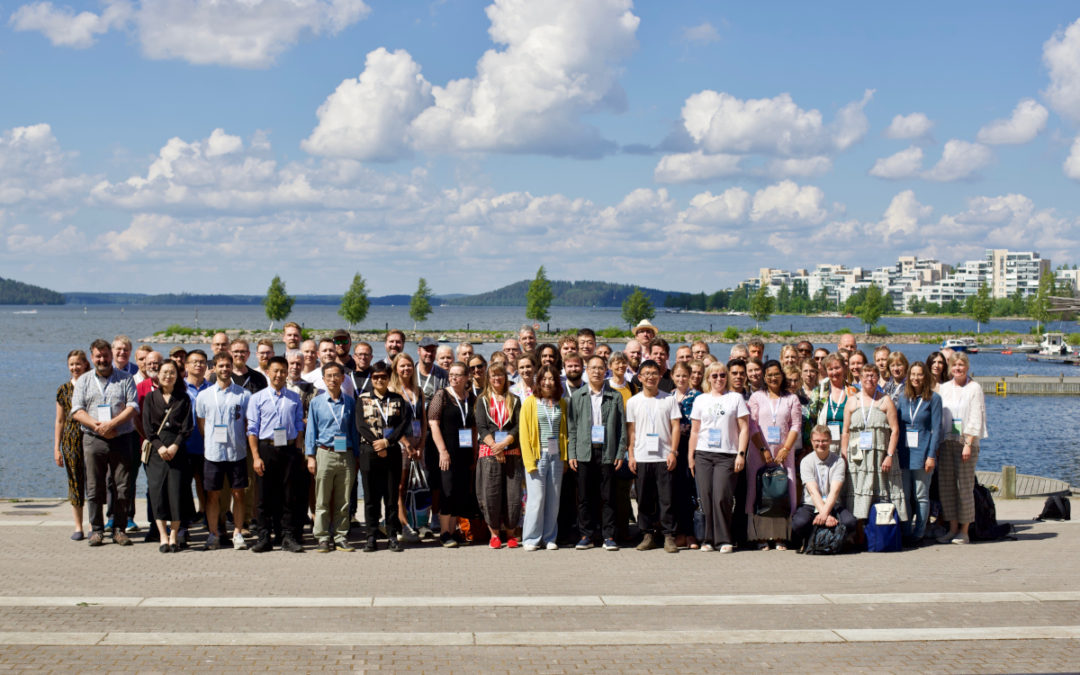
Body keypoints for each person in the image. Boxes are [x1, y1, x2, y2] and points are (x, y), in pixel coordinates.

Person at [70, 339, 139, 547]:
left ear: (111, 355)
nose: (102, 359)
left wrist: (112, 425)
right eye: (98, 356)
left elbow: (132, 406)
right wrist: (97, 426)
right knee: (93, 487)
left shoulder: (126, 378)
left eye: (105, 355)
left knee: (122, 486)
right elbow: (77, 410)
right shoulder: (83, 380)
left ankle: (119, 529)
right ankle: (97, 530)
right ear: (92, 357)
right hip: (93, 439)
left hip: (121, 437)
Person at [687, 361, 749, 553]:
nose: (719, 379)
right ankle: (708, 538)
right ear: (708, 379)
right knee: (705, 497)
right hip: (704, 453)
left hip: (727, 454)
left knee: (722, 496)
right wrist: (691, 455)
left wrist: (741, 454)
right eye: (714, 376)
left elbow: (745, 428)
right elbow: (695, 431)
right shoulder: (701, 400)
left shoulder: (736, 398)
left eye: (722, 375)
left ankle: (724, 539)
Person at [567, 355, 627, 551]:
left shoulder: (614, 396)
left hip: (607, 451)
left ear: (606, 371)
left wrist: (619, 453)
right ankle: (586, 534)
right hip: (584, 451)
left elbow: (621, 429)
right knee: (584, 496)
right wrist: (572, 453)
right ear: (587, 370)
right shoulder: (578, 397)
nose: (596, 371)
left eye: (600, 368)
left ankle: (608, 536)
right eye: (593, 368)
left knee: (608, 496)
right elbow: (572, 428)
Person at [246, 356, 305, 553]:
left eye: (282, 371)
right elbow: (252, 429)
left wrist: (298, 449)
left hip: (288, 450)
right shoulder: (257, 398)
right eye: (275, 371)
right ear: (268, 373)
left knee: (289, 495)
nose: (279, 375)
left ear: (287, 373)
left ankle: (287, 535)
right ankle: (264, 536)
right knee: (264, 495)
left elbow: (298, 425)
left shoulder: (294, 397)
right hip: (266, 448)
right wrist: (256, 457)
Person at [195, 353, 251, 551]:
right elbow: (202, 424)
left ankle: (237, 533)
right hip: (213, 453)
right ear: (215, 368)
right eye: (221, 366)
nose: (225, 369)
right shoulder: (204, 396)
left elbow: (246, 423)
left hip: (237, 452)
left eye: (228, 366)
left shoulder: (244, 395)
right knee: (212, 496)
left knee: (239, 494)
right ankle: (213, 533)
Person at [840, 363, 907, 523]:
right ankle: (857, 534)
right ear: (860, 378)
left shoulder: (885, 401)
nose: (869, 379)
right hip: (857, 458)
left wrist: (889, 455)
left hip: (880, 458)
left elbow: (895, 431)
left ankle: (883, 531)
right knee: (857, 493)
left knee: (881, 494)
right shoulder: (851, 401)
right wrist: (844, 456)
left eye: (873, 375)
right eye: (866, 375)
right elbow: (846, 432)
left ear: (878, 378)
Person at [626, 360, 681, 553]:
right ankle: (647, 534)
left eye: (654, 373)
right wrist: (631, 455)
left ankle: (668, 536)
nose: (650, 377)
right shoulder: (633, 402)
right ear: (640, 378)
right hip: (642, 456)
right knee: (644, 498)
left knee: (666, 499)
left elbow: (676, 427)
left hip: (664, 455)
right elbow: (631, 431)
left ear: (660, 376)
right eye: (646, 374)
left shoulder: (669, 399)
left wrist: (673, 451)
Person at [304, 362, 359, 553]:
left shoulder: (351, 402)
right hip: (324, 453)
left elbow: (354, 431)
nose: (333, 379)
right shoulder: (316, 403)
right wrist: (310, 457)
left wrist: (357, 456)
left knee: (343, 499)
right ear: (323, 379)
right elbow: (311, 431)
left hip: (346, 454)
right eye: (329, 376)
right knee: (322, 498)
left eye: (337, 375)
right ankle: (322, 536)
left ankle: (341, 535)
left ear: (343, 378)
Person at [746, 360, 801, 550]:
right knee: (759, 492)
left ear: (782, 375)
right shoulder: (756, 397)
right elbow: (751, 426)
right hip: (759, 452)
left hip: (784, 452)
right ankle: (760, 536)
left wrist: (785, 449)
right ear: (764, 377)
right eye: (769, 375)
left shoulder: (791, 398)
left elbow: (796, 425)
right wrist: (762, 450)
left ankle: (780, 536)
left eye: (776, 374)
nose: (773, 378)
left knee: (782, 492)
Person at [356, 362, 411, 552]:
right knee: (371, 497)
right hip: (369, 452)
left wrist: (387, 442)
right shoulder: (362, 399)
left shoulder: (397, 399)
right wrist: (376, 444)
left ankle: (392, 535)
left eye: (383, 377)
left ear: (388, 378)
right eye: (376, 377)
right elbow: (361, 425)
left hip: (392, 451)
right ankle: (371, 536)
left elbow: (403, 424)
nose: (379, 380)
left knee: (391, 496)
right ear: (371, 379)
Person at [936, 353, 987, 545]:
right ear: (950, 367)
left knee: (964, 487)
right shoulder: (944, 388)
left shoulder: (974, 388)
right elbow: (939, 417)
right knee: (947, 486)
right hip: (947, 441)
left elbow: (976, 417)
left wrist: (968, 443)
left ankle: (965, 531)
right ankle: (953, 528)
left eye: (961, 365)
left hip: (966, 442)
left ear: (967, 367)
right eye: (955, 365)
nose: (958, 368)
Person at [142, 360, 193, 553]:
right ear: (158, 375)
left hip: (177, 451)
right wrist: (160, 447)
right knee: (158, 493)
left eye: (172, 372)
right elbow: (147, 428)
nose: (168, 376)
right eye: (164, 372)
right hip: (157, 453)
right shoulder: (150, 398)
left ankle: (174, 535)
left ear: (177, 376)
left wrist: (174, 446)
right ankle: (162, 535)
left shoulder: (184, 398)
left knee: (176, 493)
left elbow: (187, 427)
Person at [426, 361, 477, 547]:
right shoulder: (442, 395)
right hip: (446, 453)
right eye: (451, 374)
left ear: (466, 378)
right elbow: (433, 423)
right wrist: (442, 451)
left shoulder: (470, 397)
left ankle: (454, 530)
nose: (454, 377)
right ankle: (444, 532)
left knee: (459, 492)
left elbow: (473, 426)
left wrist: (474, 453)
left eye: (458, 375)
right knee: (446, 491)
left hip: (464, 453)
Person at [519, 365, 568, 551]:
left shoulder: (561, 403)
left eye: (552, 379)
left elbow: (564, 432)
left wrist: (565, 456)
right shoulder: (530, 403)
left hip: (556, 456)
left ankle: (549, 537)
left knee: (553, 499)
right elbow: (524, 435)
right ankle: (531, 538)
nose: (548, 382)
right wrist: (529, 460)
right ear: (538, 381)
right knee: (536, 499)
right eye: (544, 379)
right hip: (538, 456)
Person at [475, 363, 524, 549]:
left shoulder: (515, 400)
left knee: (513, 495)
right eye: (493, 376)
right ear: (489, 378)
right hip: (489, 453)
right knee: (491, 494)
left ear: (506, 378)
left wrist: (504, 444)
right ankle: (494, 534)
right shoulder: (483, 400)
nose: (497, 379)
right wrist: (495, 447)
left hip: (511, 451)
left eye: (500, 375)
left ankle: (511, 533)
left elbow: (518, 426)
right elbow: (481, 426)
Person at [896, 361, 941, 544]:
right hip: (905, 453)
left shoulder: (934, 399)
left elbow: (936, 429)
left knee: (921, 496)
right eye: (912, 374)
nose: (915, 378)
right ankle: (906, 531)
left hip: (923, 454)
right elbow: (898, 425)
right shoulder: (903, 398)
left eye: (919, 374)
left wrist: (931, 455)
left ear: (925, 376)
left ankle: (919, 532)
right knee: (905, 495)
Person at [791, 426, 857, 547]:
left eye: (824, 440)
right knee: (798, 523)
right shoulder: (806, 461)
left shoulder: (839, 461)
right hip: (811, 504)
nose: (821, 444)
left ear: (830, 440)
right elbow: (813, 491)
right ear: (811, 441)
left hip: (833, 503)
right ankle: (810, 538)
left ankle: (838, 540)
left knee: (850, 522)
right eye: (817, 441)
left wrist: (824, 513)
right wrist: (826, 516)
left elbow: (835, 491)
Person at [390, 353, 427, 540]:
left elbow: (424, 419)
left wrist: (420, 444)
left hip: (418, 443)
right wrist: (407, 444)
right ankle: (402, 524)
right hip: (401, 443)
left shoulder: (418, 390)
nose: (406, 369)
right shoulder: (392, 391)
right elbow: (392, 423)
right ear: (396, 368)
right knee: (401, 485)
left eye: (409, 366)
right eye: (402, 366)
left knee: (418, 484)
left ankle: (417, 521)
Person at [55, 349, 90, 540]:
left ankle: (94, 523)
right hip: (70, 440)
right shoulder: (63, 390)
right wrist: (56, 448)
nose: (75, 367)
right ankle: (78, 526)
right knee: (75, 482)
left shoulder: (92, 385)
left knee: (93, 482)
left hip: (91, 437)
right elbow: (59, 421)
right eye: (72, 364)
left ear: (86, 364)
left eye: (78, 363)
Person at [670, 361, 700, 548]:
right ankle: (678, 532)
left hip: (692, 446)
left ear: (690, 377)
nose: (681, 379)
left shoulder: (697, 397)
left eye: (684, 375)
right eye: (678, 375)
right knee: (675, 491)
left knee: (691, 491)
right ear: (672, 376)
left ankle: (691, 533)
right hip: (673, 447)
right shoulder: (668, 396)